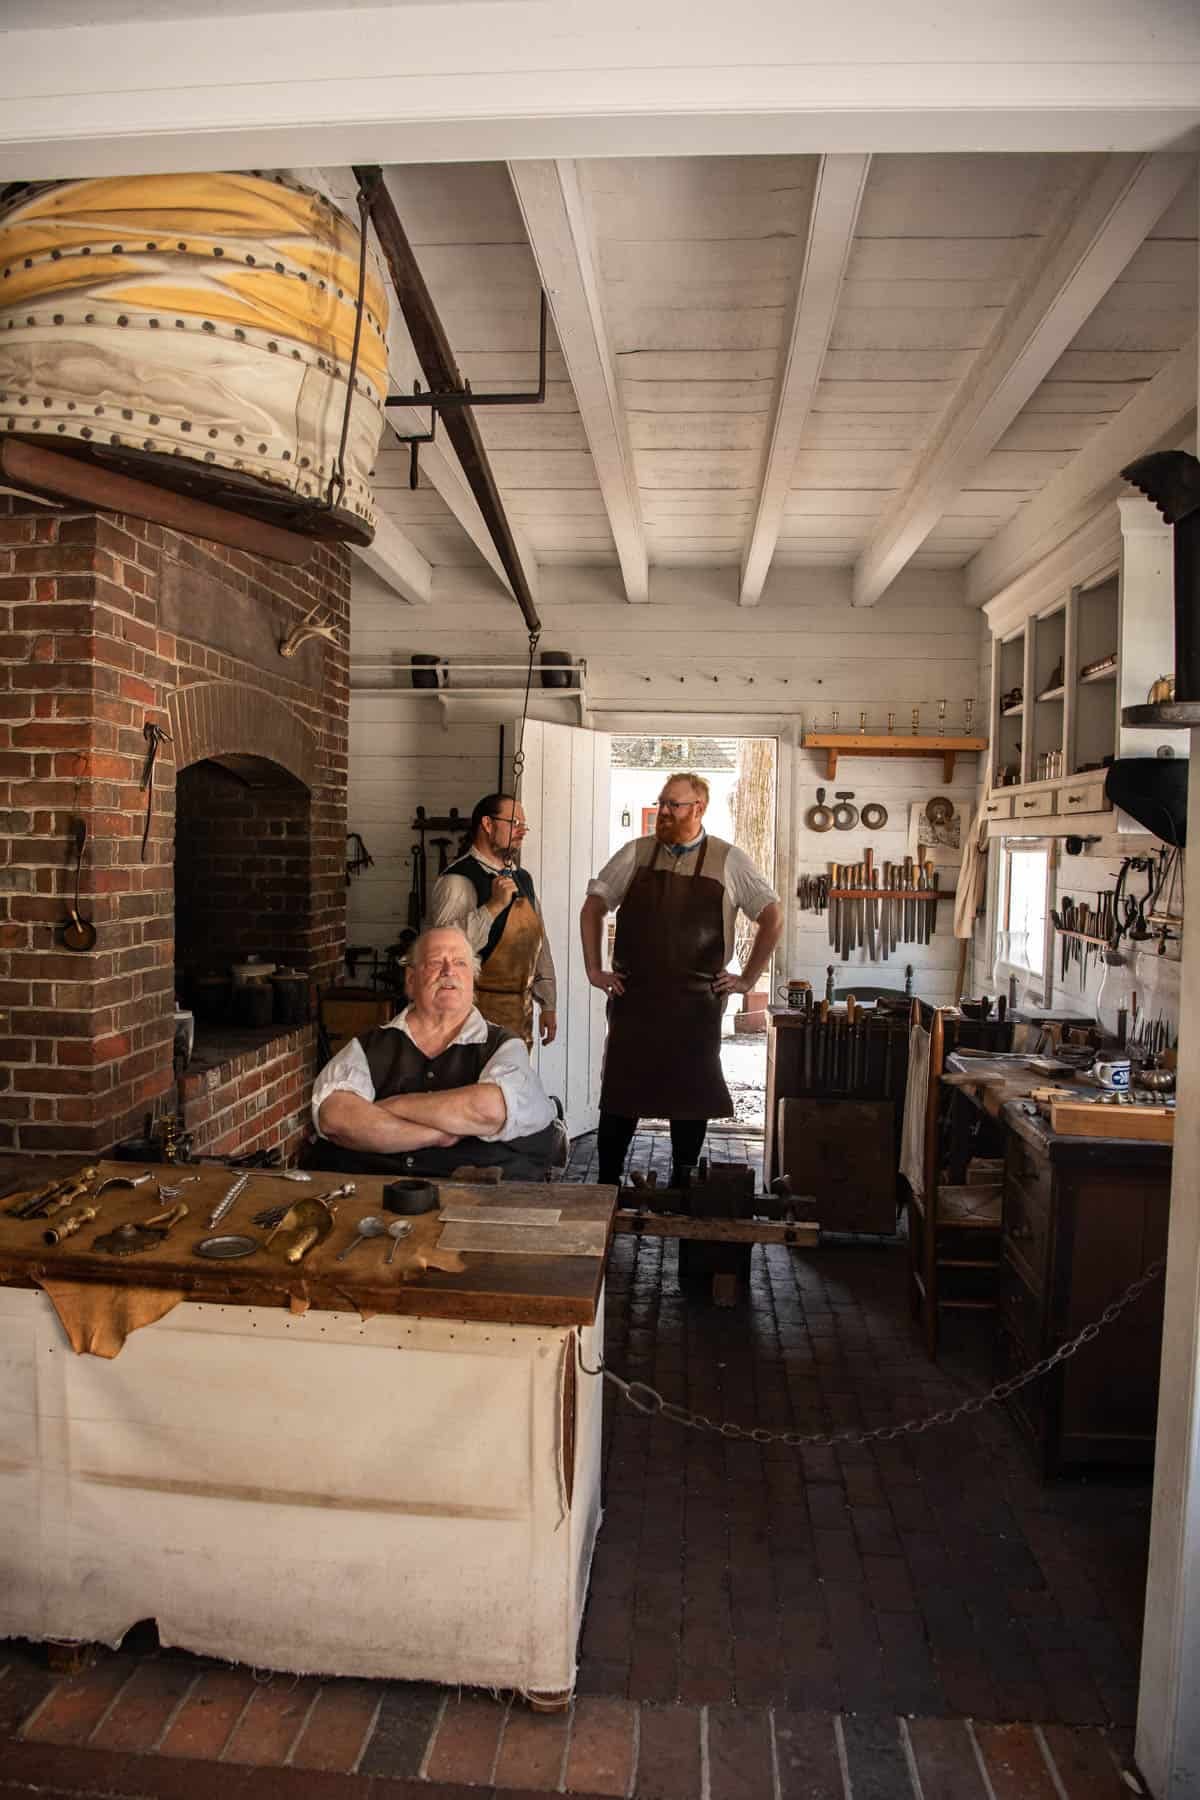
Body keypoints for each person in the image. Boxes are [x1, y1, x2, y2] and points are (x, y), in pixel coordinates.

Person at [580, 771, 784, 1188]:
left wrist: (747, 978)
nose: (665, 812)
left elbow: (772, 916)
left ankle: (684, 1179)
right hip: (635, 1001)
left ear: (699, 808)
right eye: (662, 803)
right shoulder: (635, 854)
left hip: (696, 1005)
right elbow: (593, 907)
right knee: (621, 1094)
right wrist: (594, 969)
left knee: (691, 1096)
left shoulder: (728, 860)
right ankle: (605, 1184)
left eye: (675, 804)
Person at [311, 925, 561, 1179]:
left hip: (481, 1204)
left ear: (473, 980)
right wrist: (439, 1134)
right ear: (410, 980)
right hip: (381, 1201)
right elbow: (337, 1117)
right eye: (434, 962)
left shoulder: (503, 1045)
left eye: (460, 963)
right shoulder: (369, 1047)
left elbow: (489, 1109)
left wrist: (393, 1106)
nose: (448, 971)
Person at [427, 792, 556, 1052]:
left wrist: (549, 1003)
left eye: (523, 825)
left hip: (519, 1019)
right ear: (487, 824)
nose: (522, 831)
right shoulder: (459, 880)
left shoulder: (523, 879)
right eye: (514, 823)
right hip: (471, 1023)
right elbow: (442, 953)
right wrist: (493, 906)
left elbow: (538, 944)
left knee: (512, 1089)